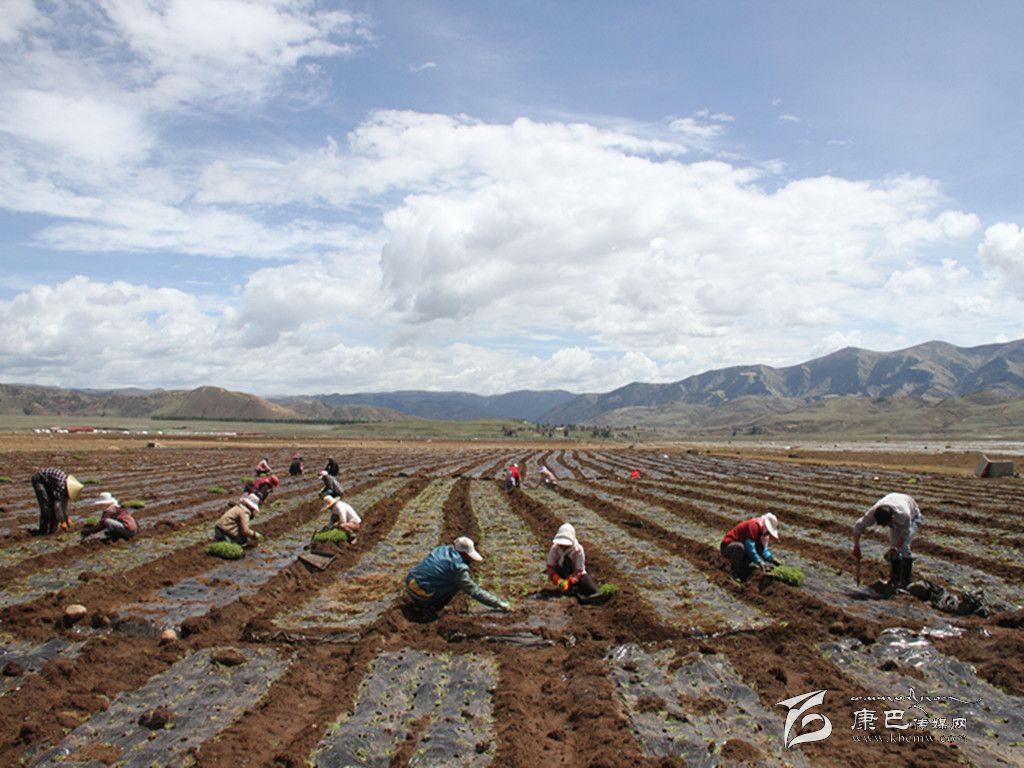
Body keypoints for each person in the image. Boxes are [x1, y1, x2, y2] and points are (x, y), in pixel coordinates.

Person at [404, 537, 510, 616]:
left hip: (409, 583)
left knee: (444, 577)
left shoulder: (441, 549)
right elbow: (473, 590)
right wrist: (497, 603)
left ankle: (423, 602)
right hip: (420, 595)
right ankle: (432, 608)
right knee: (458, 584)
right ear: (464, 554)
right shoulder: (458, 568)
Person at [852, 493, 922, 591]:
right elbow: (858, 527)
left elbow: (904, 535)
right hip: (896, 502)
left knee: (903, 547)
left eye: (888, 524)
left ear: (892, 518)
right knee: (893, 545)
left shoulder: (904, 515)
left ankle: (905, 582)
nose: (887, 527)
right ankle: (894, 580)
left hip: (913, 516)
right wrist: (856, 546)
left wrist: (896, 548)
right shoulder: (872, 514)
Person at [546, 523, 601, 599]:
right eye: (561, 543)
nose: (563, 546)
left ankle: (574, 588)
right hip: (561, 572)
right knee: (565, 562)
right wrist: (557, 579)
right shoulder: (554, 549)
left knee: (592, 589)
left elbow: (579, 571)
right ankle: (567, 587)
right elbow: (550, 567)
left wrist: (569, 582)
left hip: (575, 574)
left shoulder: (578, 550)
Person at [720, 513, 780, 580]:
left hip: (741, 548)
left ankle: (744, 568)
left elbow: (762, 548)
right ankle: (734, 573)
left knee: (756, 547)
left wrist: (771, 559)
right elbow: (750, 546)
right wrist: (760, 562)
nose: (769, 533)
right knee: (740, 547)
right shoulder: (754, 526)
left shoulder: (764, 533)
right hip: (727, 547)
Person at [31, 467, 84, 535]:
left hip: (49, 483)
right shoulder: (61, 486)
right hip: (39, 480)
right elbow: (57, 507)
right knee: (45, 506)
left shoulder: (65, 487)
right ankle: (43, 530)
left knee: (53, 505)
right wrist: (62, 522)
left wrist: (66, 518)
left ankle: (52, 530)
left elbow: (64, 505)